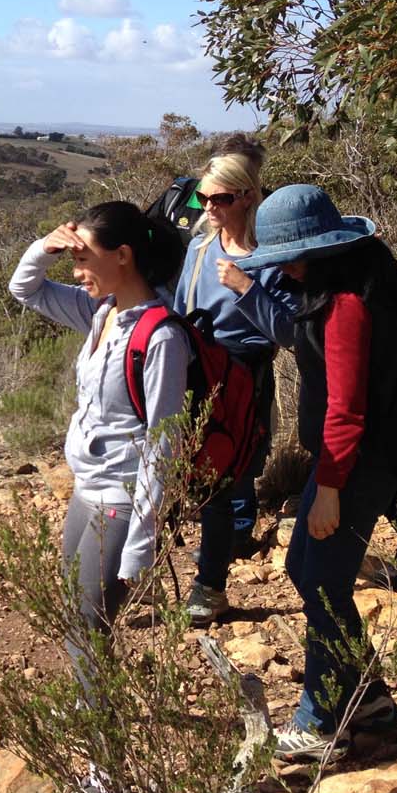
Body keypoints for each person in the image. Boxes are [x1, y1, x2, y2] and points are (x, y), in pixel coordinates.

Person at [8, 201, 190, 793]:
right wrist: (47, 245)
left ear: (124, 256)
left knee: (89, 634)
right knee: (76, 624)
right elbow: (25, 289)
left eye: (85, 256)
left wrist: (142, 543)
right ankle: (98, 747)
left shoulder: (160, 337)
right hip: (86, 492)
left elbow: (164, 445)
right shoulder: (100, 312)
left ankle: (106, 786)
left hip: (120, 502)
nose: (76, 268)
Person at [235, 185, 397, 759]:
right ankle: (369, 696)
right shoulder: (329, 294)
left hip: (353, 466)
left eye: (290, 257)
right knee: (303, 569)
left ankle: (320, 721)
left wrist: (330, 488)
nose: (283, 267)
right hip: (340, 463)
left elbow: (347, 409)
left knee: (326, 586)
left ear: (319, 252)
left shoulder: (347, 307)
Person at [173, 149, 299, 625]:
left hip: (244, 375)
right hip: (195, 369)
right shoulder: (198, 249)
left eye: (220, 198)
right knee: (185, 472)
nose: (208, 207)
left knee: (228, 477)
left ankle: (210, 587)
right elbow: (181, 311)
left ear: (247, 197)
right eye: (202, 198)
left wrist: (248, 289)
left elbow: (288, 332)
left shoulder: (270, 259)